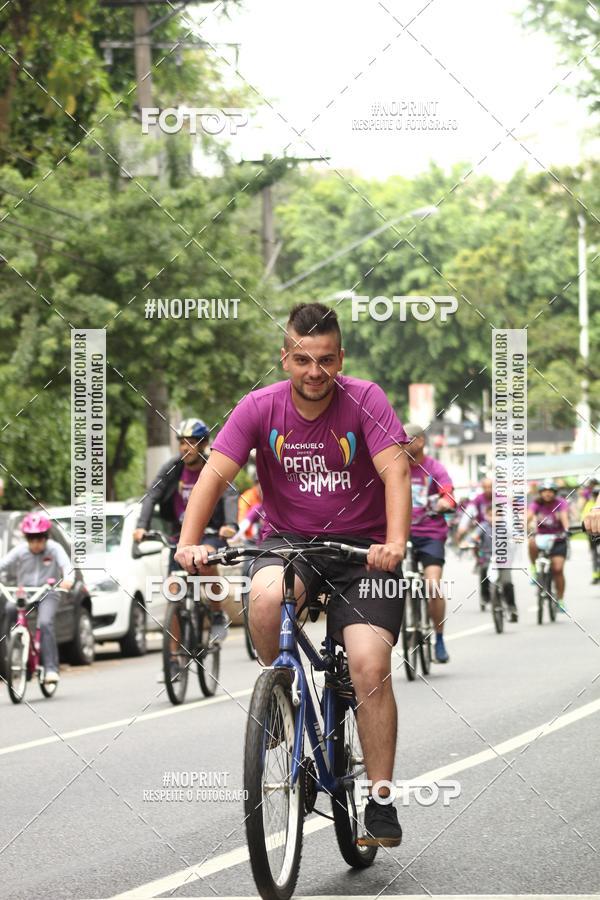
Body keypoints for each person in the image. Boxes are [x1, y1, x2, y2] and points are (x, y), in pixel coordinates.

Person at [175, 302, 411, 847]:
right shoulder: (260, 407)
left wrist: (395, 543)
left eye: (325, 360)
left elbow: (395, 471)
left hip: (363, 552)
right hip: (291, 544)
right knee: (263, 598)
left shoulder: (366, 399)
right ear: (285, 359)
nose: (314, 372)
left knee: (369, 665)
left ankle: (380, 801)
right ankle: (281, 695)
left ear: (340, 358)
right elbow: (214, 475)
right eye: (303, 360)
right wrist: (189, 543)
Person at [133, 417, 239, 641]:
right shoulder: (172, 468)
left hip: (211, 532)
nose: (185, 447)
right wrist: (142, 527)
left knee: (206, 562)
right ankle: (175, 656)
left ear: (203, 444)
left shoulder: (214, 466)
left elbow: (229, 493)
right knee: (174, 593)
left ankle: (217, 614)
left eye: (191, 442)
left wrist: (229, 524)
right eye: (182, 442)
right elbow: (152, 495)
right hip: (180, 536)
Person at [0, 512, 72, 684]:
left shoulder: (54, 548)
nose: (36, 544)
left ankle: (51, 669)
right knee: (10, 609)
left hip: (48, 592)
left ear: (46, 538)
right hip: (26, 593)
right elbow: (3, 564)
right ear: (26, 538)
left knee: (45, 623)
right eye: (31, 539)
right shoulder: (20, 550)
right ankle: (18, 648)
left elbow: (67, 566)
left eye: (39, 539)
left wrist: (68, 579)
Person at [403, 424, 455, 663]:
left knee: (432, 585)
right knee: (384, 586)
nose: (401, 444)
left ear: (420, 441)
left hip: (430, 533)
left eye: (406, 439)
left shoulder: (435, 469)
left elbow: (448, 493)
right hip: (400, 534)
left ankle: (439, 638)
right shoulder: (396, 467)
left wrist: (446, 502)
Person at [528, 479, 570, 611]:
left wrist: (567, 530)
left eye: (551, 491)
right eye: (545, 491)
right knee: (531, 542)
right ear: (540, 493)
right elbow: (528, 516)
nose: (547, 494)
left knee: (558, 569)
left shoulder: (561, 503)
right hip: (542, 537)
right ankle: (534, 569)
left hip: (558, 539)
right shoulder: (536, 503)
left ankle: (560, 600)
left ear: (555, 493)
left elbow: (564, 517)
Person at [472, 508, 518, 621]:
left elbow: (514, 535)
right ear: (486, 516)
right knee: (483, 570)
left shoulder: (505, 527)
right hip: (488, 558)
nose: (494, 518)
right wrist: (472, 541)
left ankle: (512, 607)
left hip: (503, 559)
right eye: (491, 515)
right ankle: (485, 596)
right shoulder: (483, 526)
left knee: (507, 582)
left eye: (497, 515)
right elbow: (474, 537)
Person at [456, 477, 493, 543]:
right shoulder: (478, 498)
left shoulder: (500, 498)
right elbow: (469, 511)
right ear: (483, 488)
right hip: (482, 527)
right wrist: (462, 526)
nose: (488, 490)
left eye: (490, 487)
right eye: (486, 487)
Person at [582, 485, 600, 584]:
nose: (596, 496)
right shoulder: (589, 504)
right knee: (594, 554)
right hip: (593, 534)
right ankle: (595, 575)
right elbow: (584, 516)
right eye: (595, 494)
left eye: (598, 494)